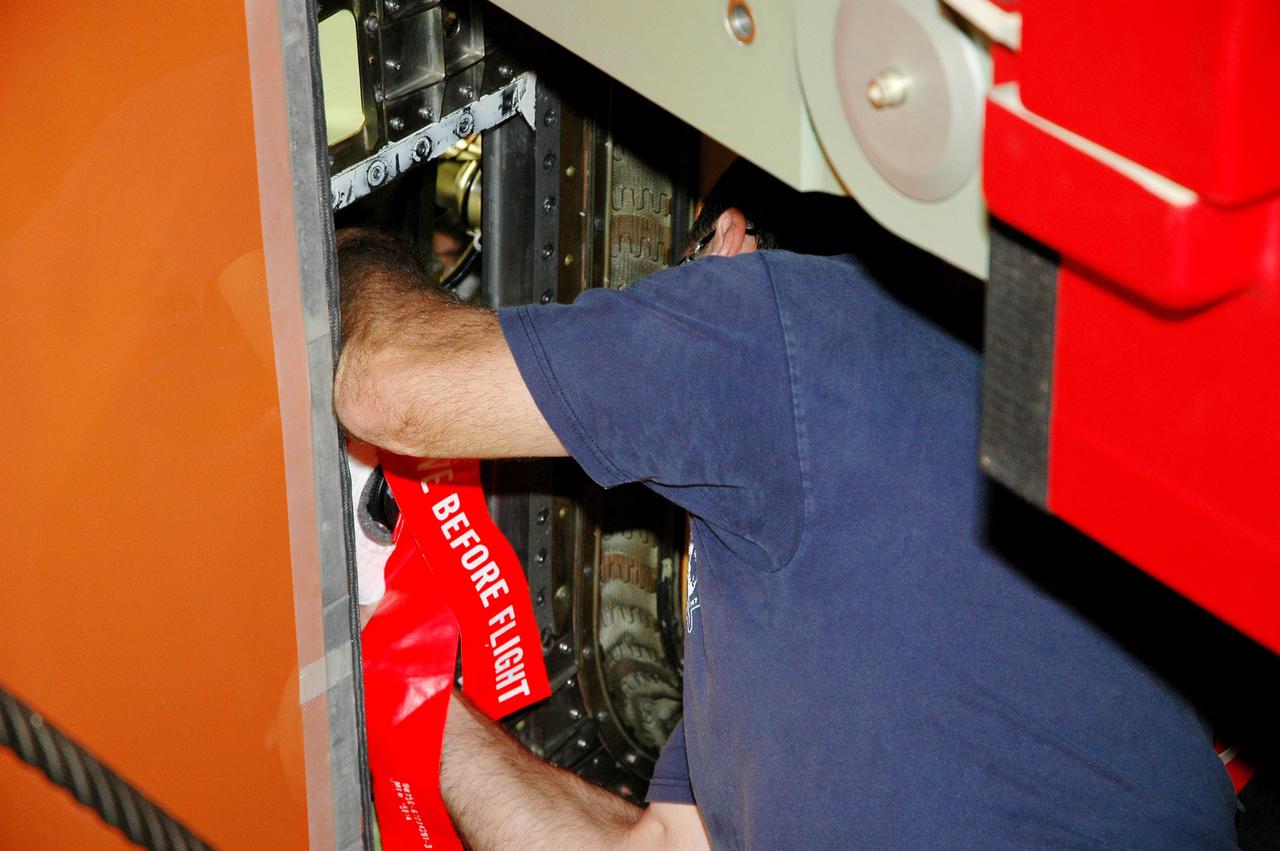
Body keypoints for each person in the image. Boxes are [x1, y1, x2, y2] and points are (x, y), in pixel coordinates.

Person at [334, 162, 1238, 849]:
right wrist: (414, 688)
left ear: (726, 242)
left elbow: (384, 380)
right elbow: (657, 846)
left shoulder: (793, 326)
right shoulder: (779, 623)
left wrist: (355, 249)